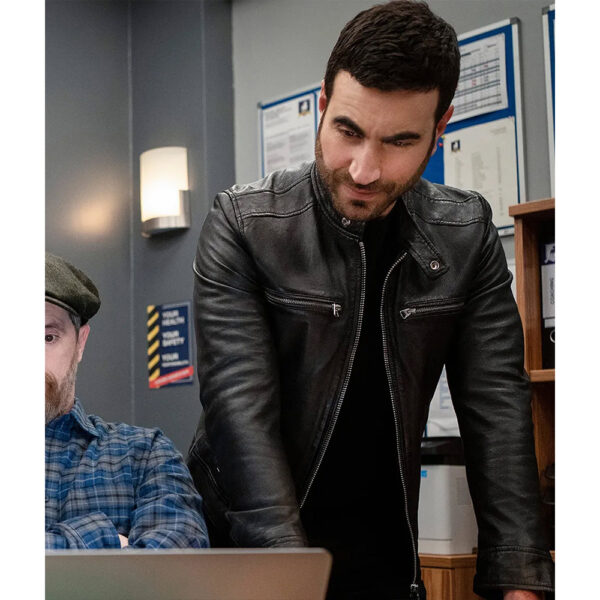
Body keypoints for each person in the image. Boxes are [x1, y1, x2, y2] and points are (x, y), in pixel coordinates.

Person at [187, 1, 554, 598]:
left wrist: (520, 576)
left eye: (399, 141)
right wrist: (287, 575)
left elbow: (499, 407)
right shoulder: (246, 224)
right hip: (250, 557)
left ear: (441, 128)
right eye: (348, 132)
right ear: (323, 105)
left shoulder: (465, 235)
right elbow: (239, 411)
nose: (364, 169)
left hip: (385, 558)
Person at [45, 252, 209, 550]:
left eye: (48, 337)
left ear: (80, 343)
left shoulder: (144, 455)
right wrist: (104, 538)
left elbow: (176, 567)